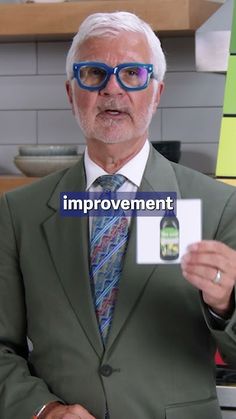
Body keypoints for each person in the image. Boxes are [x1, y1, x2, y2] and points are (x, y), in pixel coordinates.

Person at [0, 11, 236, 419]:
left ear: (157, 93)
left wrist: (226, 303)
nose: (113, 89)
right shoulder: (18, 212)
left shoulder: (219, 205)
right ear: (71, 93)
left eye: (132, 74)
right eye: (94, 73)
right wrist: (44, 410)